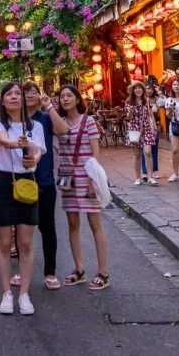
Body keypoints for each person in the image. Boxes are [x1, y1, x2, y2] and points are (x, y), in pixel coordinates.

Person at [0, 81, 45, 315]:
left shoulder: (36, 125)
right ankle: (6, 293)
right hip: (3, 181)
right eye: (9, 94)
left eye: (18, 94)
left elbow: (39, 150)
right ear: (1, 100)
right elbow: (2, 140)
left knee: (25, 243)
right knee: (3, 243)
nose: (14, 97)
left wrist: (34, 158)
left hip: (27, 181)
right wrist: (17, 143)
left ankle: (24, 293)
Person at [15, 81, 70, 291]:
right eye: (25, 92)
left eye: (33, 92)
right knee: (20, 228)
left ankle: (50, 272)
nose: (29, 95)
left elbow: (63, 130)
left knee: (47, 228)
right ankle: (22, 270)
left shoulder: (45, 118)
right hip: (20, 180)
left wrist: (49, 106)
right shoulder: (14, 120)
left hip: (44, 180)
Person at [57, 84, 109, 290]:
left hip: (86, 177)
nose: (65, 99)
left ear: (78, 99)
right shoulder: (59, 123)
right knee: (72, 222)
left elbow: (95, 154)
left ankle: (103, 272)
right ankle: (79, 269)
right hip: (67, 177)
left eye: (69, 95)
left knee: (95, 223)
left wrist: (91, 180)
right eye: (61, 96)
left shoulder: (88, 121)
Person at [126, 81, 158, 185]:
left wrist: (154, 127)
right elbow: (129, 118)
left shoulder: (146, 101)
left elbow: (150, 115)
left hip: (146, 128)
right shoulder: (129, 102)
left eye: (140, 88)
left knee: (148, 152)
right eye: (136, 88)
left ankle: (150, 177)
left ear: (142, 89)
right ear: (133, 91)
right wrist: (131, 111)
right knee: (137, 155)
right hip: (134, 129)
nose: (138, 90)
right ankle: (138, 178)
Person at [141, 83, 163, 180]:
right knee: (144, 150)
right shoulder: (141, 100)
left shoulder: (156, 99)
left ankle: (155, 170)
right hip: (144, 127)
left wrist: (160, 93)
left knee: (154, 149)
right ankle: (145, 172)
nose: (148, 90)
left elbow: (164, 103)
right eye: (146, 88)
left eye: (150, 88)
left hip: (155, 125)